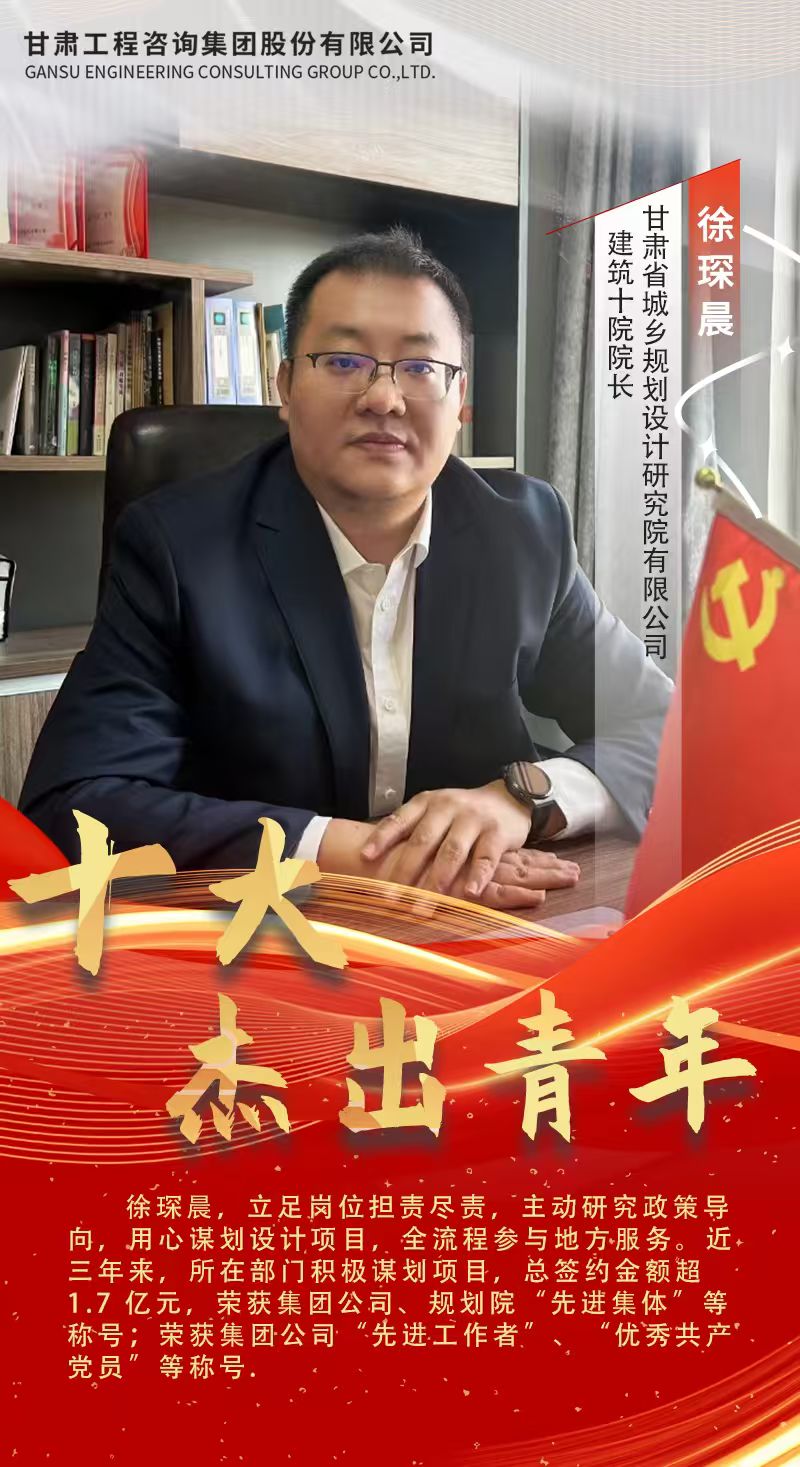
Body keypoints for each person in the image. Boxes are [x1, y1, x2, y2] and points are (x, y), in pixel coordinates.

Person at [20, 227, 672, 911]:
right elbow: (76, 802)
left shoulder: (524, 532)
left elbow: (665, 725)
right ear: (285, 385)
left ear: (460, 401)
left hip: (481, 921)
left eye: (420, 367)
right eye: (342, 361)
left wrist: (523, 799)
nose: (383, 398)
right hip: (261, 933)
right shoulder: (176, 547)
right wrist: (360, 857)